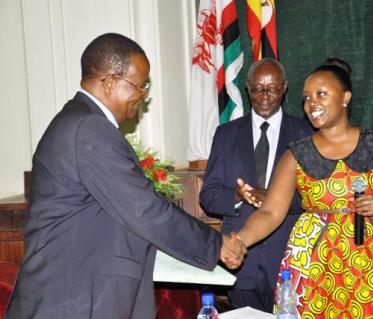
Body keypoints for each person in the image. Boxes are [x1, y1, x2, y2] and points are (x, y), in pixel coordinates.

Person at [5, 33, 245, 319]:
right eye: (140, 85)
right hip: (71, 301)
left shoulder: (81, 123)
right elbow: (145, 209)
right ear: (109, 82)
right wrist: (216, 244)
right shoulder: (88, 129)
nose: (143, 95)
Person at [236, 58, 373, 318]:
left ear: (345, 98)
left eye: (321, 94)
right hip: (315, 261)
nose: (311, 104)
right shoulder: (296, 154)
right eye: (306, 97)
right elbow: (270, 212)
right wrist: (239, 242)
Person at [200, 58, 312, 313]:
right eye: (257, 89)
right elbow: (208, 196)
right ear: (248, 88)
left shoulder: (305, 133)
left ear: (284, 88)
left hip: (289, 258)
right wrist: (238, 196)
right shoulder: (226, 134)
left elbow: (314, 198)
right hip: (242, 263)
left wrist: (274, 198)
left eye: (272, 88)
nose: (264, 96)